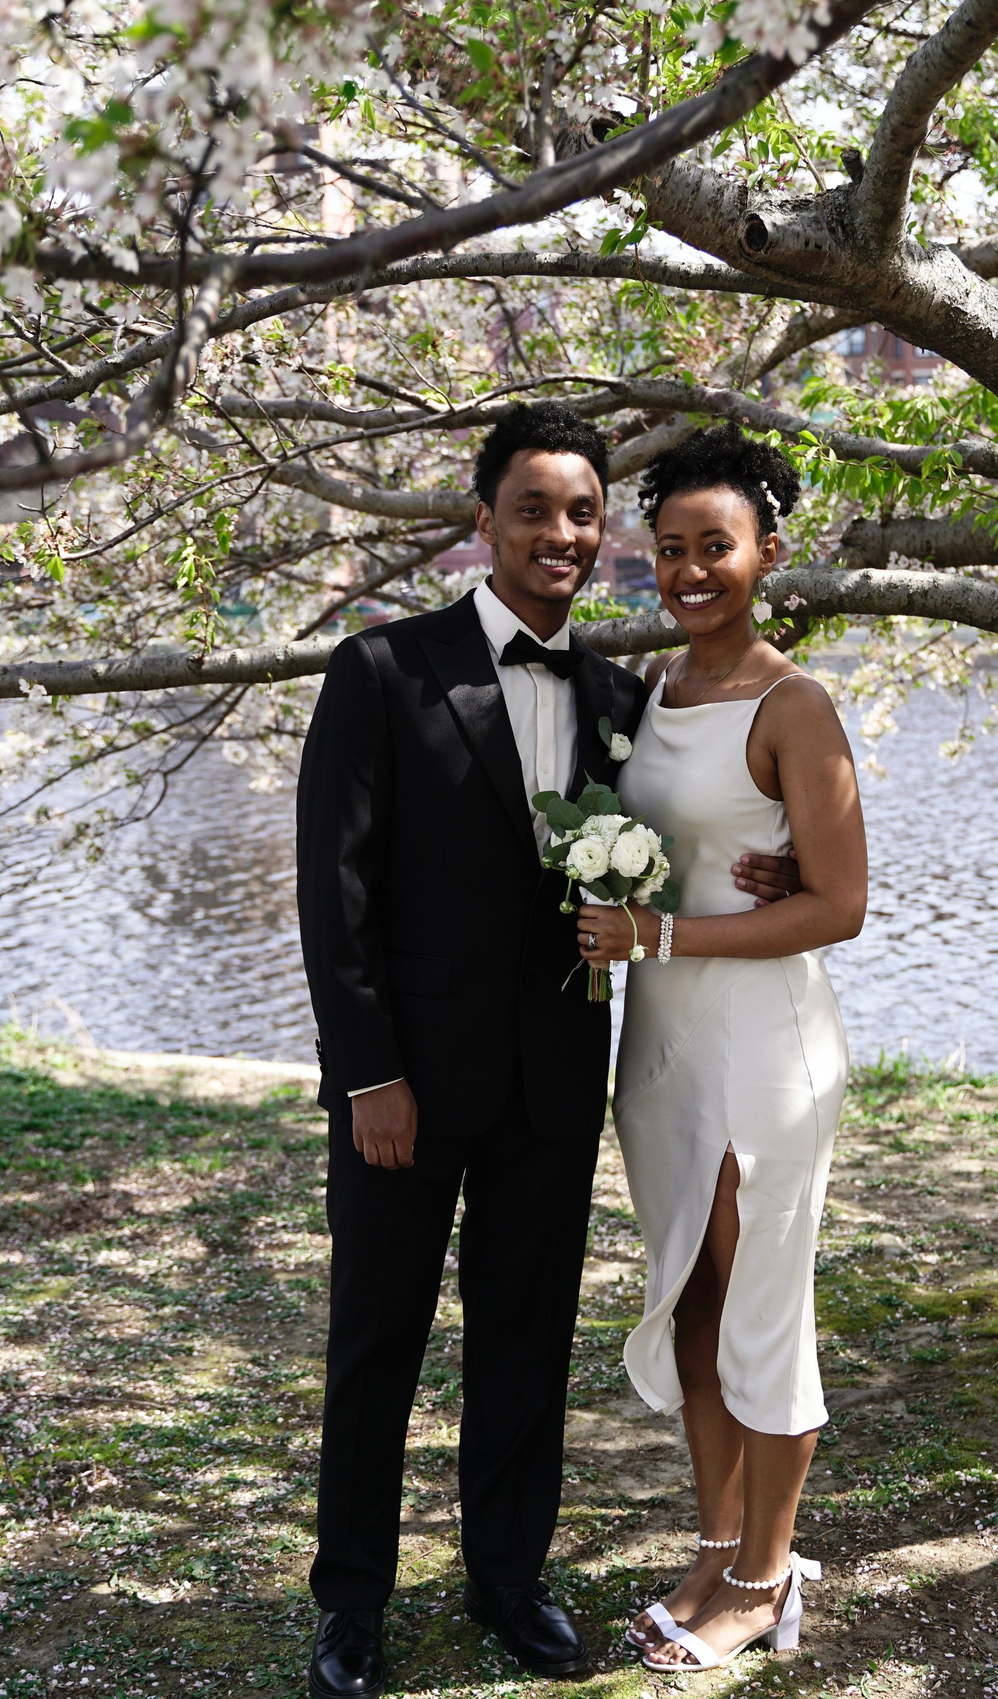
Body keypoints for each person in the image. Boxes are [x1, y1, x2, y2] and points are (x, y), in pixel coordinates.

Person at [293, 404, 799, 1698]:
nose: (562, 535)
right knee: (377, 1348)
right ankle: (350, 1603)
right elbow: (332, 895)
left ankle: (508, 1583)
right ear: (483, 523)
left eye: (583, 514)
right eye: (535, 510)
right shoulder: (382, 674)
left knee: (523, 1345)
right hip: (407, 1088)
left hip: (557, 1085)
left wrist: (780, 863)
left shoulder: (622, 700)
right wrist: (369, 1076)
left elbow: (697, 823)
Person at [571, 428, 867, 1671]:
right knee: (692, 1296)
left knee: (759, 1311)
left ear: (768, 556)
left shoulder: (795, 703)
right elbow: (685, 845)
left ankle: (763, 1579)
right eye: (672, 550)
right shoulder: (659, 692)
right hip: (665, 1041)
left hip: (760, 1044)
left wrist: (663, 926)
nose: (690, 571)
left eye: (717, 548)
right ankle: (715, 1540)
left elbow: (839, 902)